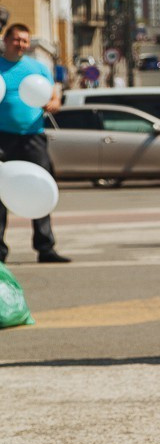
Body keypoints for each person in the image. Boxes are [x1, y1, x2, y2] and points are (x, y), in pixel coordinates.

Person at [0, 23, 69, 264]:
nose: (20, 44)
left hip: (33, 136)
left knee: (40, 187)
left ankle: (45, 247)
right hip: (2, 137)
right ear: (5, 40)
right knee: (0, 193)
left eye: (25, 41)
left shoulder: (38, 68)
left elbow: (54, 98)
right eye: (16, 39)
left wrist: (53, 104)